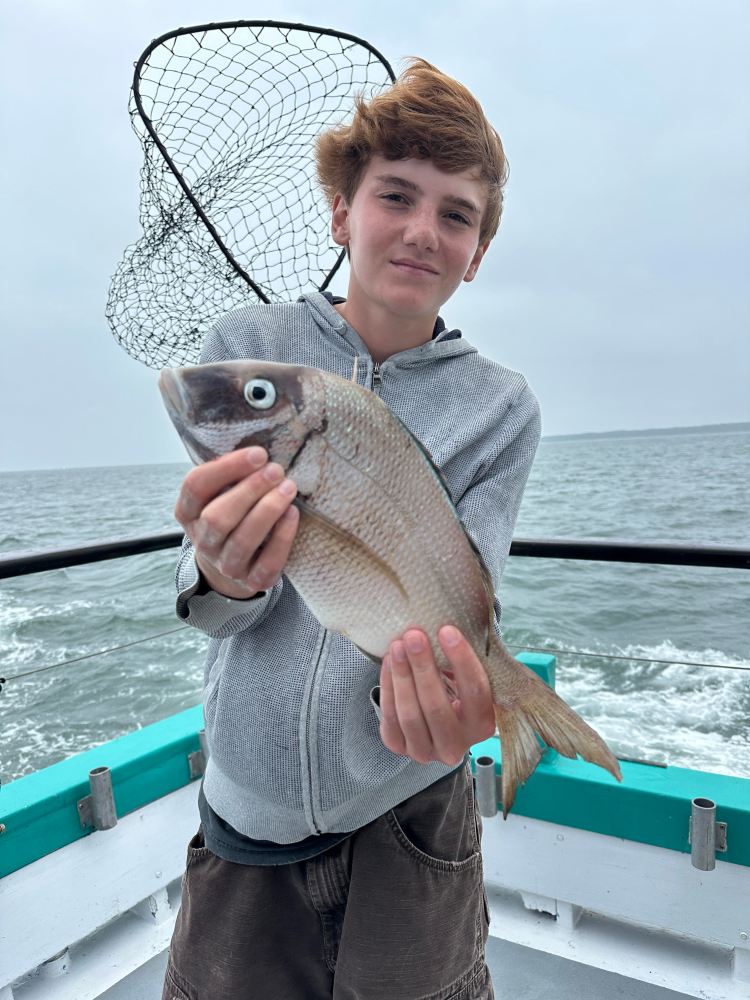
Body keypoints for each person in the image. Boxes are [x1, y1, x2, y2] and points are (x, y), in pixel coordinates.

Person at [162, 57, 541, 1000]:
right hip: (244, 814)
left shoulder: (501, 408)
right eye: (396, 196)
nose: (423, 230)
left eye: (457, 213)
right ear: (342, 213)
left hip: (408, 816)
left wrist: (447, 705)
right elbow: (208, 610)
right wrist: (226, 578)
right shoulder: (247, 353)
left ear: (478, 250)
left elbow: (456, 606)